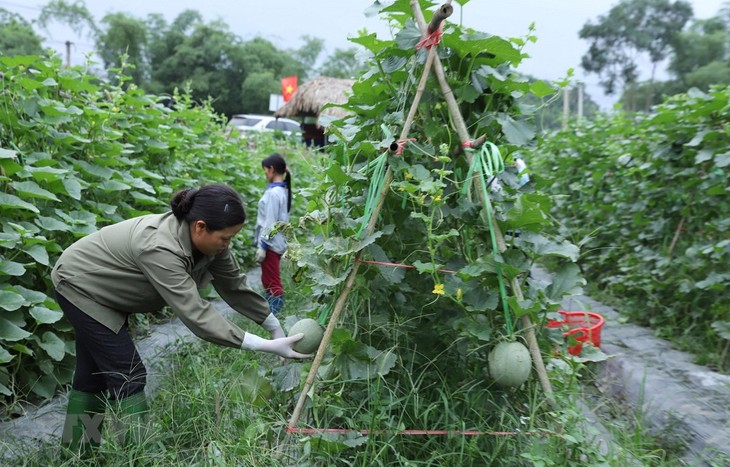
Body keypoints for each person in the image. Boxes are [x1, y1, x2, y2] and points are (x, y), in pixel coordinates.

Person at [51, 183, 309, 453]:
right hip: (81, 287)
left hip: (106, 291)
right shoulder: (159, 247)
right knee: (128, 374)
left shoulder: (211, 245)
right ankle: (139, 455)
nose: (227, 245)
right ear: (200, 227)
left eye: (231, 238)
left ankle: (77, 452)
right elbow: (196, 314)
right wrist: (266, 346)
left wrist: (275, 328)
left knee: (92, 377)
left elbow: (234, 286)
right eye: (225, 238)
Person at [254, 153, 291, 316]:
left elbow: (270, 222)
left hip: (270, 244)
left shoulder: (274, 193)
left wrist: (262, 245)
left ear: (271, 169)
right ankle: (268, 311)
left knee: (272, 281)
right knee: (268, 279)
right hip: (277, 241)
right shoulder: (283, 190)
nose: (265, 174)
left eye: (265, 170)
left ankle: (275, 314)